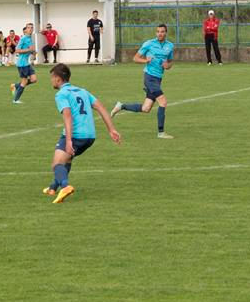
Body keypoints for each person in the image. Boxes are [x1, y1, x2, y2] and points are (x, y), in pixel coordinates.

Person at [44, 63, 121, 204]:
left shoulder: (62, 94)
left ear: (58, 79)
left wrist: (68, 141)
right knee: (67, 159)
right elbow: (101, 107)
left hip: (76, 135)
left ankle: (65, 187)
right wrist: (111, 129)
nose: (51, 81)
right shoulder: (82, 91)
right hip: (90, 136)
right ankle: (53, 187)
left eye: (52, 77)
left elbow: (67, 116)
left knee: (56, 163)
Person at [111, 24, 175, 139]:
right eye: (158, 31)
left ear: (166, 33)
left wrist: (167, 65)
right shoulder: (149, 44)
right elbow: (135, 58)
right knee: (163, 102)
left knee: (146, 108)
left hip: (158, 79)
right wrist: (146, 60)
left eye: (162, 31)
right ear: (156, 33)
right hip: (149, 77)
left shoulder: (170, 46)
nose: (160, 34)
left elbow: (170, 62)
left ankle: (121, 106)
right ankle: (161, 132)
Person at [11, 23, 37, 104]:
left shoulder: (30, 38)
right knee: (24, 81)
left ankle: (15, 86)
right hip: (22, 64)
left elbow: (30, 49)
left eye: (32, 28)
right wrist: (28, 50)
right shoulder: (23, 38)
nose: (30, 29)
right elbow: (17, 50)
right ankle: (15, 100)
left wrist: (33, 53)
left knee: (34, 79)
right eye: (29, 28)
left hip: (27, 63)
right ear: (25, 30)